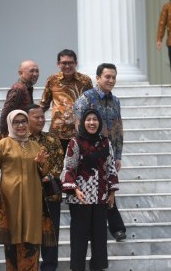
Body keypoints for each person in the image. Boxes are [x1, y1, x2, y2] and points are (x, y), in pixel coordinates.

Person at [0, 109, 55, 270]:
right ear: (10, 124)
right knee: (12, 240)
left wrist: (41, 164)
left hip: (33, 200)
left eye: (24, 121)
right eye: (16, 122)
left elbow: (45, 172)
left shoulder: (35, 145)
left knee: (32, 239)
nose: (21, 125)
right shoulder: (2, 144)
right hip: (10, 201)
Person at [61, 109, 119, 271]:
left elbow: (111, 168)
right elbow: (69, 167)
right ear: (83, 122)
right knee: (79, 238)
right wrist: (74, 189)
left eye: (95, 119)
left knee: (100, 238)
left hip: (100, 197)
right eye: (88, 119)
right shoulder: (75, 142)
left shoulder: (105, 142)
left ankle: (98, 268)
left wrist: (112, 192)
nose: (92, 123)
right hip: (80, 198)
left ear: (99, 122)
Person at [74, 63, 126, 242]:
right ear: (98, 78)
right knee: (95, 192)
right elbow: (79, 127)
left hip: (108, 155)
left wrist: (118, 155)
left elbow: (118, 129)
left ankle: (116, 228)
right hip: (89, 154)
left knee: (109, 188)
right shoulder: (85, 99)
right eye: (107, 77)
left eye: (113, 77)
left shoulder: (116, 101)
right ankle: (107, 228)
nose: (111, 80)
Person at [26, 104, 65, 271]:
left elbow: (59, 164)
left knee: (50, 235)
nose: (41, 120)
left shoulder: (52, 139)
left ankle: (49, 267)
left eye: (43, 116)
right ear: (27, 119)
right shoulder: (20, 141)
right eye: (37, 117)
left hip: (50, 195)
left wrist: (47, 175)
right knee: (28, 236)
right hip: (27, 196)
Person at [39, 49, 93, 152]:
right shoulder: (52, 80)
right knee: (58, 166)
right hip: (57, 133)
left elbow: (91, 105)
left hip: (79, 132)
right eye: (64, 63)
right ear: (58, 64)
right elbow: (44, 103)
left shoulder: (85, 81)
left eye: (70, 63)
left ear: (76, 63)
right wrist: (33, 117)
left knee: (77, 166)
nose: (67, 66)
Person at [0, 60, 39, 137]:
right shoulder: (18, 89)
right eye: (31, 71)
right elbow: (5, 113)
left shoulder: (27, 88)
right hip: (15, 135)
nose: (35, 74)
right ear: (21, 73)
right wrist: (4, 135)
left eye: (37, 71)